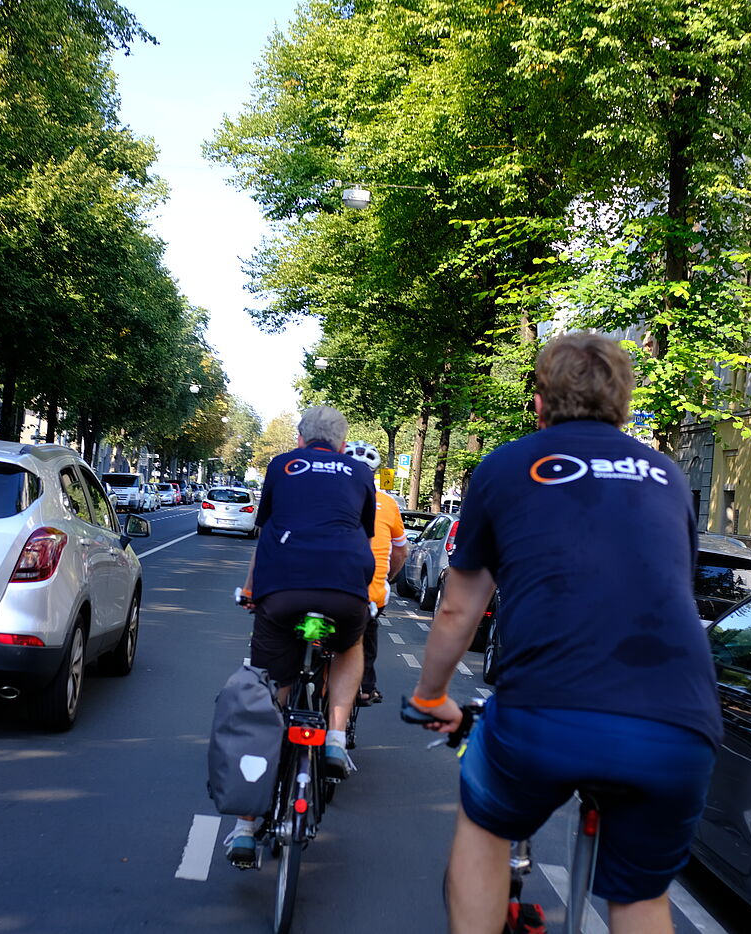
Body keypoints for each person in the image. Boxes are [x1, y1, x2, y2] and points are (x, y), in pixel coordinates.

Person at [405, 333, 719, 934]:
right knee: (641, 896)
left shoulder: (504, 467)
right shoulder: (666, 475)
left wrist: (428, 697)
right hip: (678, 720)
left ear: (541, 400)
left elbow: (456, 611)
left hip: (547, 711)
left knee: (487, 825)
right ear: (624, 403)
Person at [226, 405, 376, 866]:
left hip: (284, 592)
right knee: (349, 645)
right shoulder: (358, 472)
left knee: (269, 696)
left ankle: (246, 828)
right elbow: (363, 532)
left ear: (299, 439)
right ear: (342, 443)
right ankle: (334, 737)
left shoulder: (282, 466)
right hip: (343, 593)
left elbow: (269, 530)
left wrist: (252, 590)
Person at [343, 440, 407, 706]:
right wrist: (388, 577)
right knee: (366, 629)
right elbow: (401, 552)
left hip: (313, 584)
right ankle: (366, 686)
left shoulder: (324, 494)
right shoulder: (387, 503)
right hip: (367, 592)